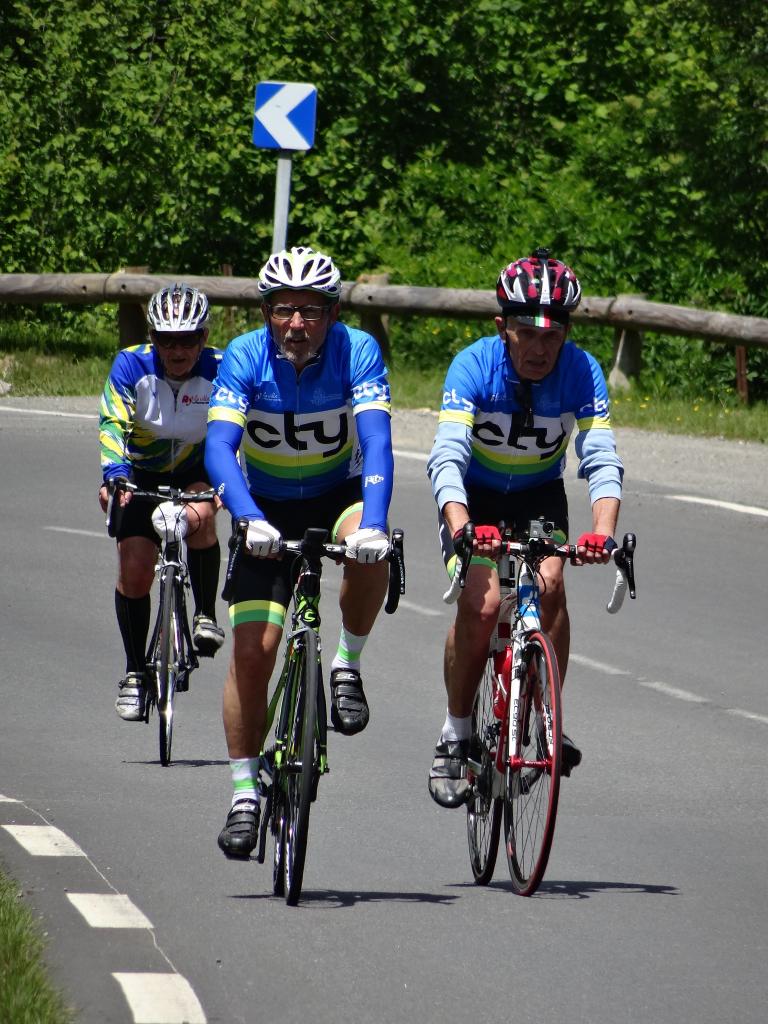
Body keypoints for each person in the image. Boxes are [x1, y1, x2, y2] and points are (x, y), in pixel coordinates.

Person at [204, 245, 394, 858]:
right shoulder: (244, 356)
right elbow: (217, 451)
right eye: (284, 309)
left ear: (332, 313)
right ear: (266, 312)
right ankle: (243, 795)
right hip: (266, 507)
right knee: (254, 652)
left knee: (374, 546)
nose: (296, 324)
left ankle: (346, 664)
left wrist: (376, 522)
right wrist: (248, 517)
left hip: (335, 494)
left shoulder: (356, 351)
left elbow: (377, 443)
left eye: (311, 311)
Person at [426, 247, 624, 808]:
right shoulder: (472, 365)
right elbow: (447, 456)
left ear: (566, 333)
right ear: (502, 327)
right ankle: (455, 731)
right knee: (484, 604)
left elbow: (601, 458)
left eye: (551, 336)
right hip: (477, 501)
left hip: (540, 494)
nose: (538, 348)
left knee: (553, 586)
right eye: (525, 333)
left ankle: (545, 711)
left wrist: (602, 533)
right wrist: (462, 525)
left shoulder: (581, 372)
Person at [98, 282, 226, 721]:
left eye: (187, 339)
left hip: (195, 471)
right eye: (166, 340)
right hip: (139, 473)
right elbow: (112, 424)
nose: (176, 350)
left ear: (203, 338)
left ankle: (206, 614)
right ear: (153, 339)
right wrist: (113, 476)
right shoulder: (131, 365)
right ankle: (135, 673)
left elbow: (239, 427)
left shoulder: (221, 369)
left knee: (202, 516)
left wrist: (233, 482)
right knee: (134, 569)